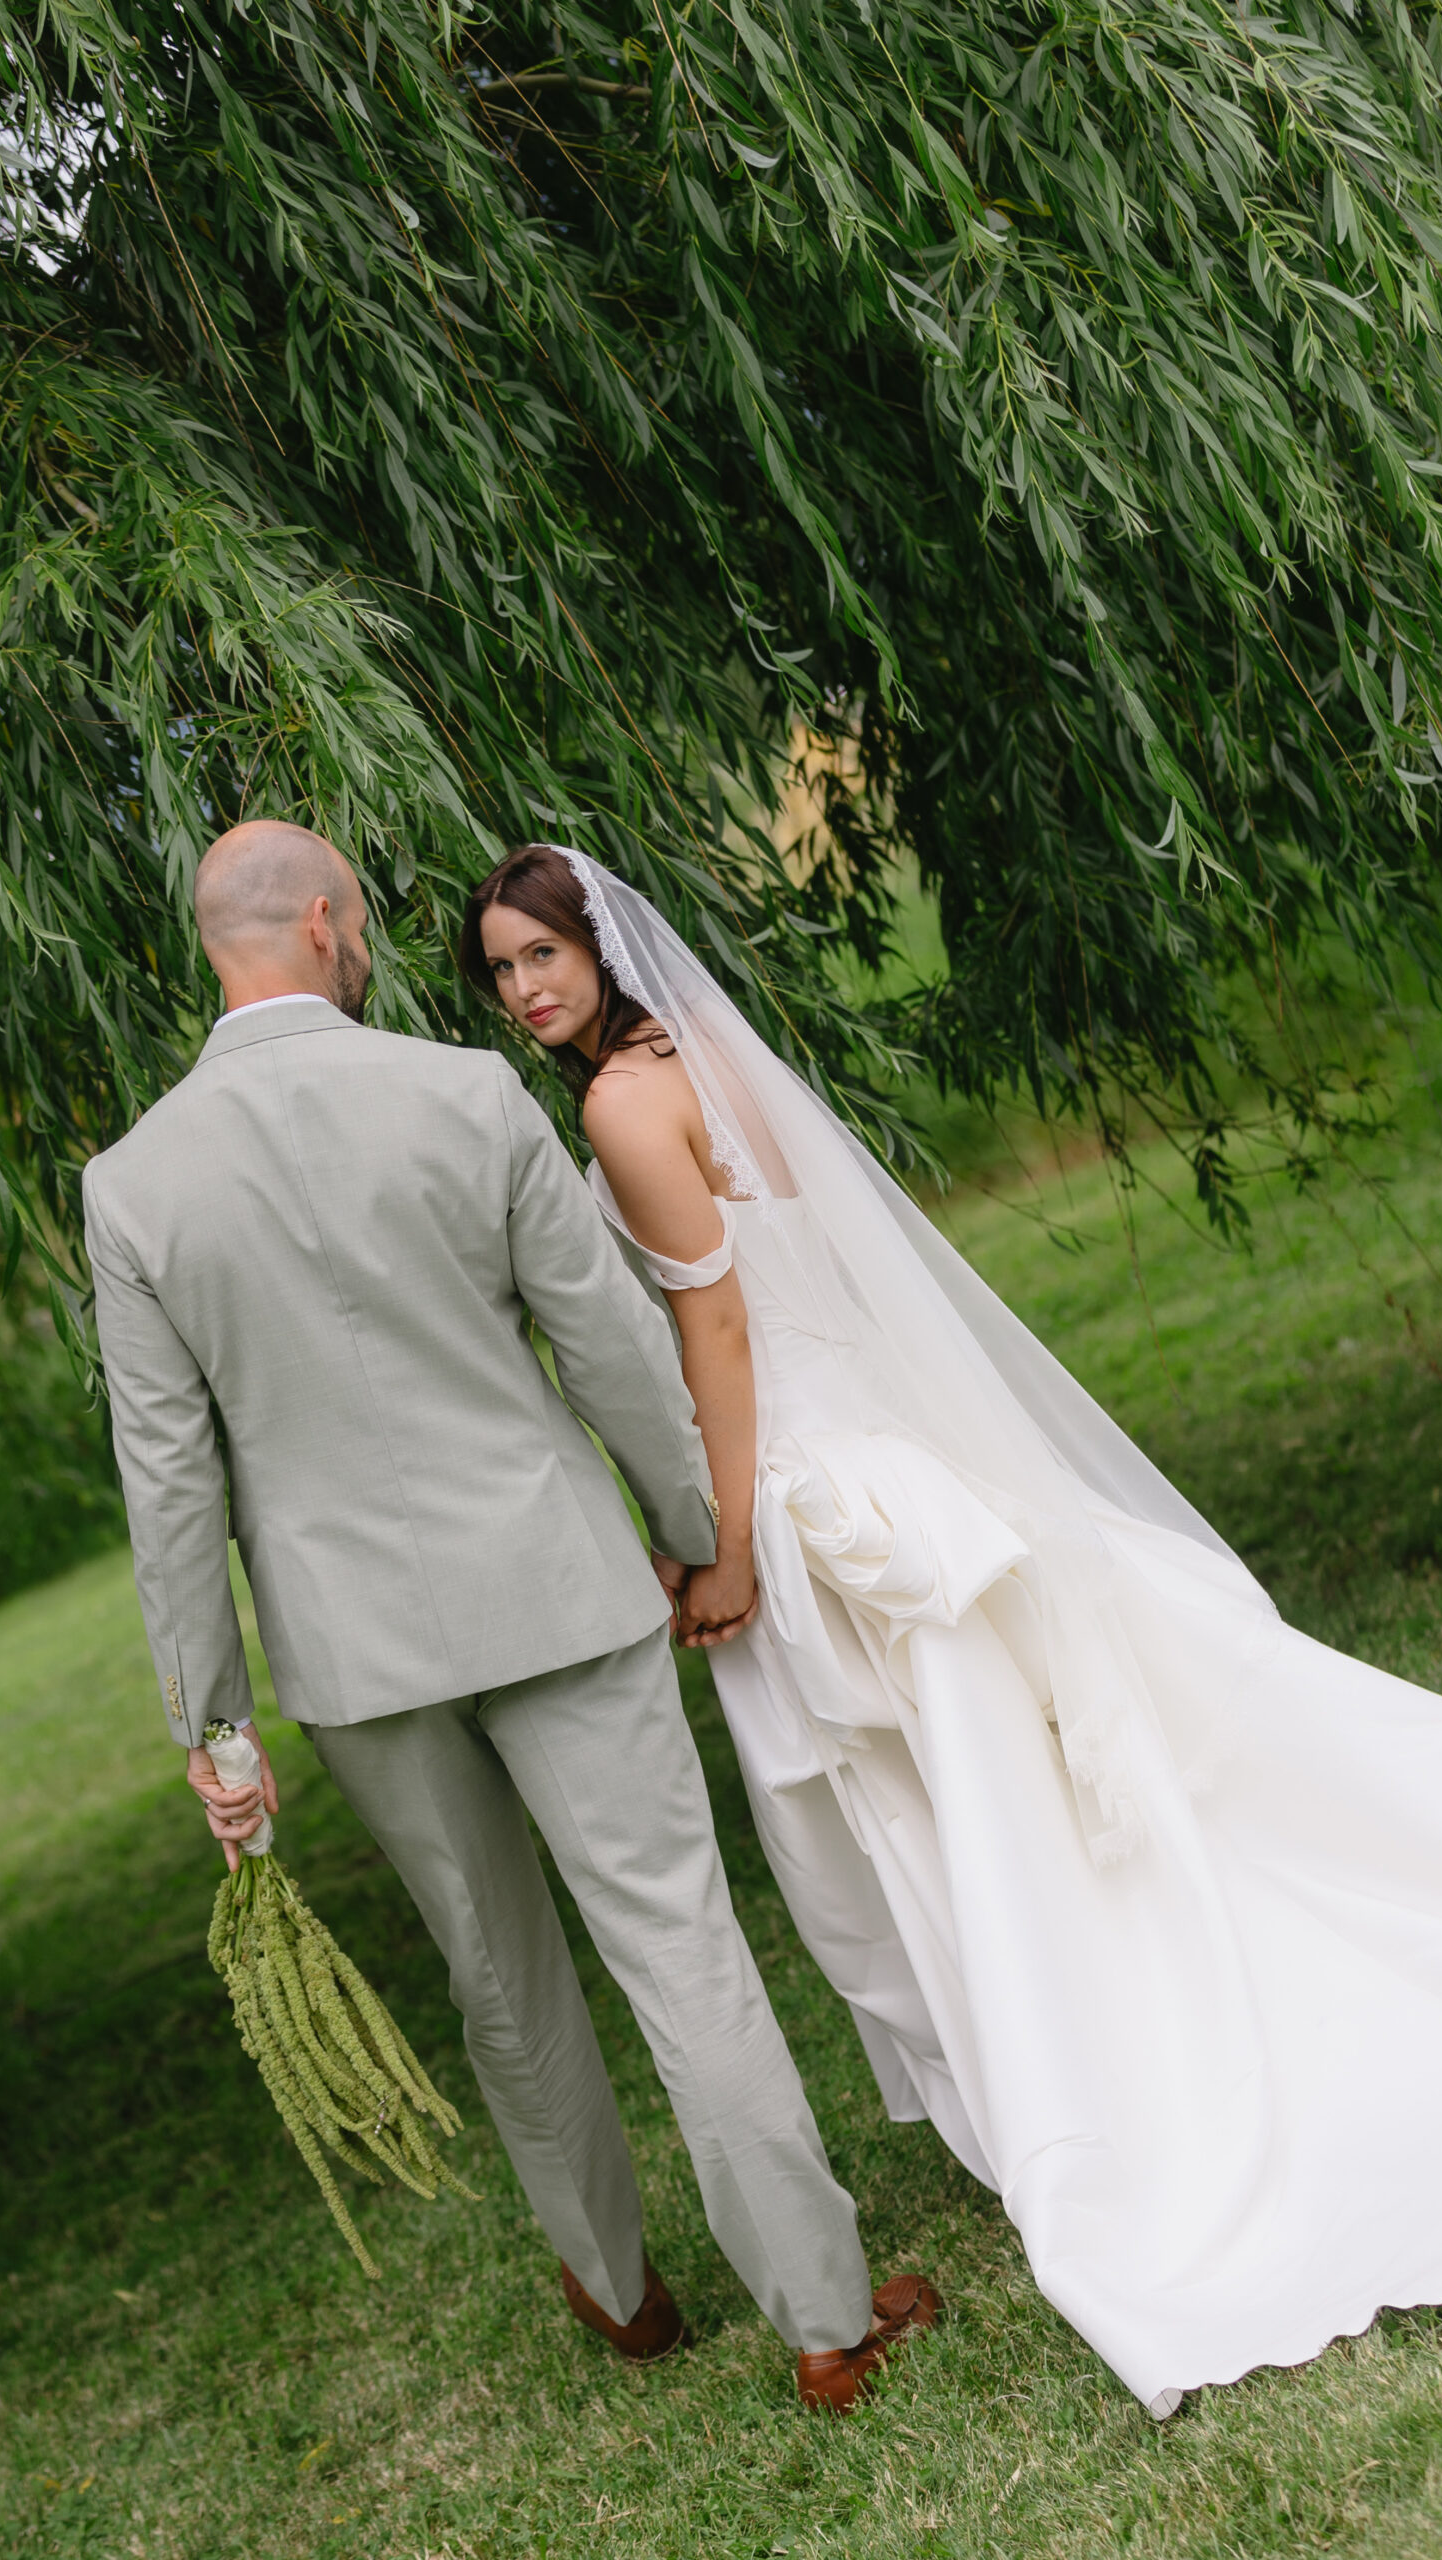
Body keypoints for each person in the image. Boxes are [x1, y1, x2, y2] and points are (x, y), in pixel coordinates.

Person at [463, 839, 1442, 2421]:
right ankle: (1082, 2035)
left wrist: (722, 1542)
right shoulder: (701, 1059)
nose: (522, 990)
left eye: (541, 956)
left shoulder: (619, 1106)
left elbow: (717, 1328)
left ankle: (1082, 2077)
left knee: (932, 1802)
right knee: (984, 1775)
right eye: (500, 970)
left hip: (802, 1481)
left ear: (599, 952)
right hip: (880, 1446)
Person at [82, 818, 941, 2416]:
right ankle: (826, 2317)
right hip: (555, 1588)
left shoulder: (131, 1187)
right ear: (322, 922)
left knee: (497, 1977)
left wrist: (214, 1723)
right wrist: (692, 1532)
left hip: (355, 1655)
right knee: (675, 1940)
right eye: (357, 921)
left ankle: (618, 2294)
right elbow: (607, 1344)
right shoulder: (466, 1097)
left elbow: (169, 1479)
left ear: (215, 943)